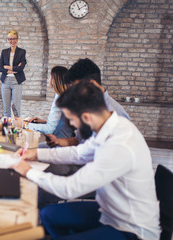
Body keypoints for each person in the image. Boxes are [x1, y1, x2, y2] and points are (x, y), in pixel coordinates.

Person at [13, 81, 160, 240]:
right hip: (109, 212)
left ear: (86, 117)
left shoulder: (120, 144)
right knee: (48, 215)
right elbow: (78, 153)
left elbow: (69, 189)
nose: (71, 124)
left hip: (130, 229)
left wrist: (29, 172)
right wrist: (36, 154)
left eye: (71, 119)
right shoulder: (108, 126)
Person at [45, 58, 130, 148]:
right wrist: (60, 141)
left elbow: (101, 153)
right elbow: (80, 140)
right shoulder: (87, 105)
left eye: (77, 88)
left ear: (91, 84)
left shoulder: (115, 112)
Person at [14, 66, 74, 141]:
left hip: (59, 142)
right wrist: (44, 121)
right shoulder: (64, 95)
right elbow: (62, 122)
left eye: (50, 77)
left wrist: (24, 124)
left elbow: (49, 129)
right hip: (64, 138)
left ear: (55, 80)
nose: (48, 79)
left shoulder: (60, 99)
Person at [0, 30, 27, 117]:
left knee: (16, 108)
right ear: (8, 40)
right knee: (6, 109)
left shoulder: (22, 52)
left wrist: (7, 67)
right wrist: (14, 69)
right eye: (10, 39)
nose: (12, 41)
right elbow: (0, 67)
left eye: (14, 38)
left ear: (17, 39)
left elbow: (21, 68)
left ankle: (16, 129)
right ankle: (7, 128)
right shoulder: (4, 52)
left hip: (17, 82)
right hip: (5, 81)